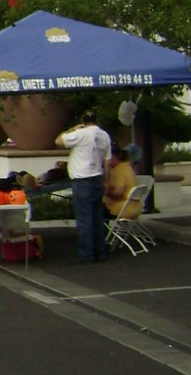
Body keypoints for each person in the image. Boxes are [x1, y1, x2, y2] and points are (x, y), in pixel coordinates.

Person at [57, 108, 112, 263]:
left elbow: (59, 141)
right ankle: (100, 252)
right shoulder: (104, 136)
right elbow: (107, 162)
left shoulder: (81, 134)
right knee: (97, 219)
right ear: (97, 119)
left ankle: (86, 254)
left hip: (82, 180)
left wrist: (72, 129)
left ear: (83, 121)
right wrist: (106, 181)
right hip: (97, 179)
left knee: (85, 220)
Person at [103, 145, 142, 220]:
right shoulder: (128, 168)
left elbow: (118, 192)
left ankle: (102, 228)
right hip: (135, 207)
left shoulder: (118, 171)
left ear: (114, 157)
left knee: (94, 208)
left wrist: (105, 191)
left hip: (121, 208)